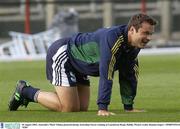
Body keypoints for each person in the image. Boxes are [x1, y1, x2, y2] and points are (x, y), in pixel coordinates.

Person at [8, 13, 157, 116]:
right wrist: (102, 107)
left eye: (150, 34)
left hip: (80, 64)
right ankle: (25, 91)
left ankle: (39, 94)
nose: (148, 38)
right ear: (132, 30)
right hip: (64, 54)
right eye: (145, 33)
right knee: (68, 108)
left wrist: (128, 107)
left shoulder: (134, 47)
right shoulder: (113, 38)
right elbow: (107, 72)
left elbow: (128, 74)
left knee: (81, 108)